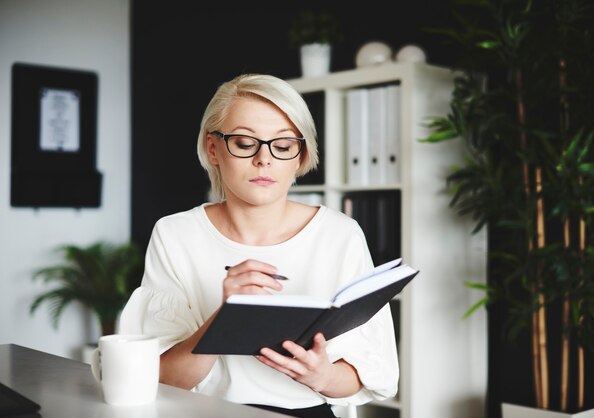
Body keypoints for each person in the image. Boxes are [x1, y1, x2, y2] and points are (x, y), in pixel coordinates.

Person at [119, 73, 399, 418]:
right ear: (213, 148)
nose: (264, 160)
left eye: (282, 146)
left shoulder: (341, 234)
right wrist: (226, 317)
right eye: (244, 142)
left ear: (299, 156)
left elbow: (367, 378)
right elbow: (163, 378)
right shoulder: (176, 234)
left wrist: (321, 374)